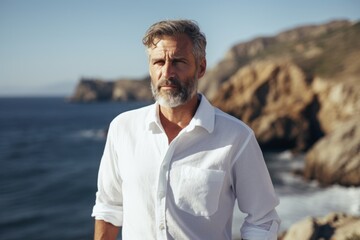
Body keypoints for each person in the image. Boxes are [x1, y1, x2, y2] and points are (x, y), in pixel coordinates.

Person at [91, 19, 280, 240]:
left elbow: (263, 219)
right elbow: (109, 207)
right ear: (150, 68)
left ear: (200, 68)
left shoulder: (237, 137)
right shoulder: (122, 128)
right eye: (159, 62)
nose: (167, 72)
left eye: (178, 62)